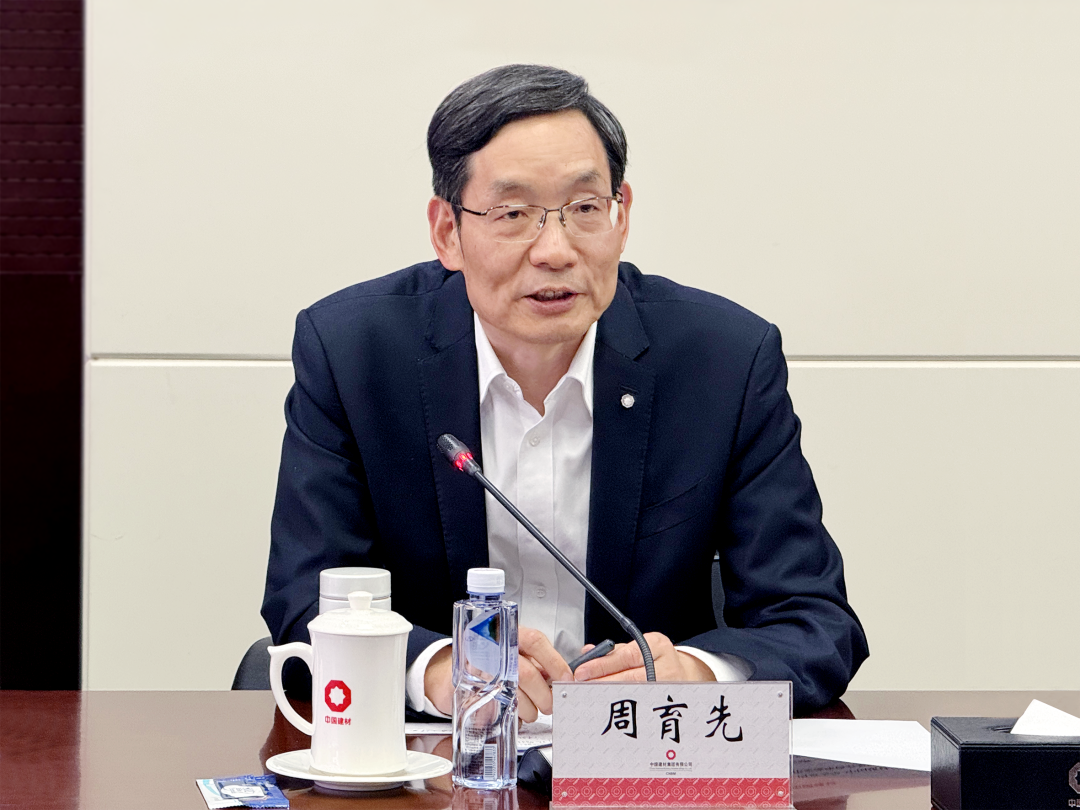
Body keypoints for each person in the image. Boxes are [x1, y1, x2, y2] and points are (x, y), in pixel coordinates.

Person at [262, 64, 868, 719]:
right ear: (447, 232)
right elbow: (306, 597)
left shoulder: (723, 362)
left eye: (584, 209)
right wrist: (439, 669)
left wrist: (694, 676)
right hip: (440, 755)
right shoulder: (354, 354)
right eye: (513, 213)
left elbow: (813, 621)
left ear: (621, 216)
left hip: (645, 754)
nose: (554, 250)